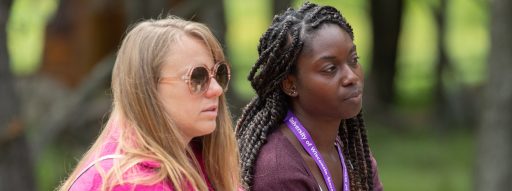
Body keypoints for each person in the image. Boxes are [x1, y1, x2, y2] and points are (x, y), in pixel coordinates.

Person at [58, 16, 240, 191]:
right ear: (148, 88)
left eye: (219, 73)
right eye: (198, 77)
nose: (216, 89)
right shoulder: (129, 184)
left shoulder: (200, 165)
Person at [236, 3, 383, 191]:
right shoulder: (279, 171)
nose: (352, 77)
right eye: (330, 69)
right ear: (291, 85)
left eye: (353, 60)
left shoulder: (356, 156)